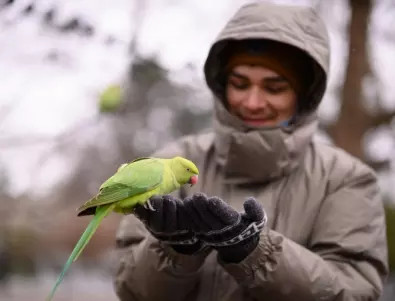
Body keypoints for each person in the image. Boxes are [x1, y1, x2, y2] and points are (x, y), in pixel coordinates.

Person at [113, 2, 389, 301]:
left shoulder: (346, 179)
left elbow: (354, 293)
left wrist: (255, 251)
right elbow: (131, 290)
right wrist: (175, 250)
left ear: (304, 94)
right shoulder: (171, 160)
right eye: (239, 83)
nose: (253, 102)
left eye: (274, 87)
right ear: (221, 85)